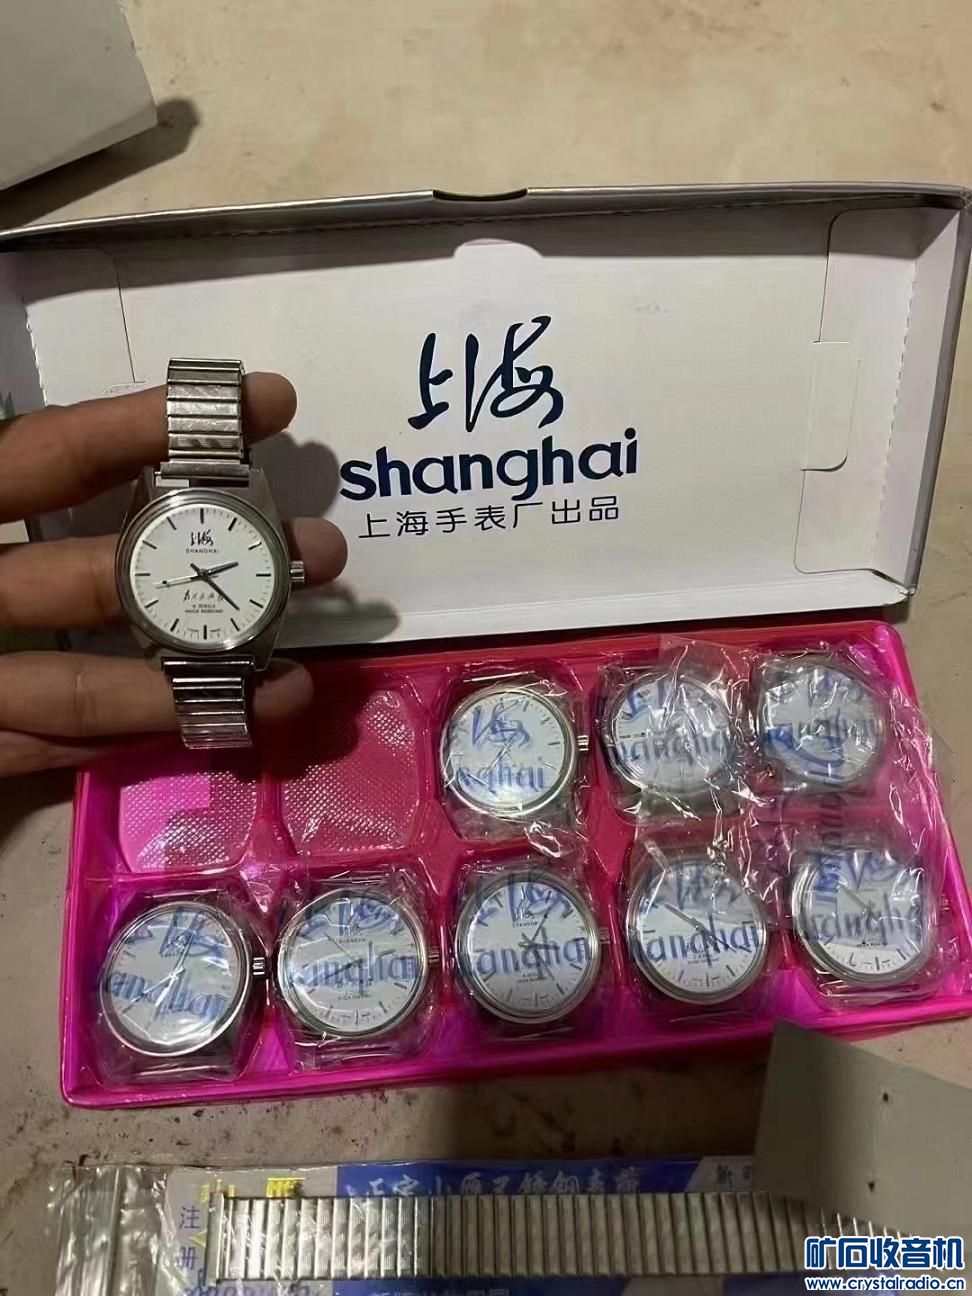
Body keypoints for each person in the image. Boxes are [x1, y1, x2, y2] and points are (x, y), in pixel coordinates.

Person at [0, 372, 346, 776]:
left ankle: (218, 750)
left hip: (220, 631)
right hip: (188, 627)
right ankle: (217, 747)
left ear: (289, 573)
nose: (203, 576)